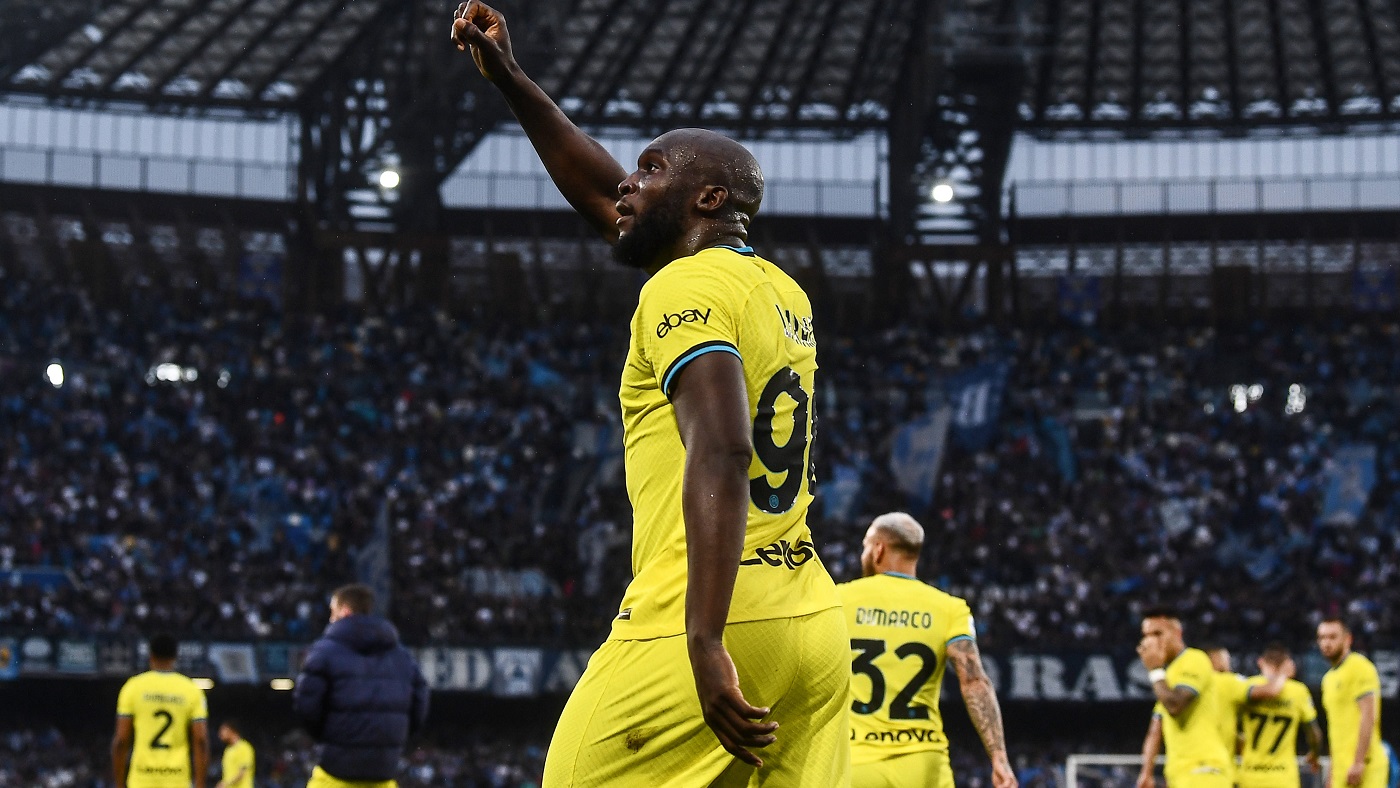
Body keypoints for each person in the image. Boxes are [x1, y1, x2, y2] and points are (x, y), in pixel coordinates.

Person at [451, 3, 849, 785]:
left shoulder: (682, 288)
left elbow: (724, 448)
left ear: (708, 201)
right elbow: (610, 202)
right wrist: (512, 80)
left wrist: (704, 638)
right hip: (809, 618)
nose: (629, 181)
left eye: (653, 168)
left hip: (705, 613)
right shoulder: (779, 289)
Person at [838, 513, 1016, 788]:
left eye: (866, 546)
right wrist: (999, 757)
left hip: (855, 763)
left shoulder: (839, 599)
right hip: (923, 764)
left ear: (878, 549)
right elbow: (974, 682)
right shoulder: (949, 608)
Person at [293, 584, 429, 788]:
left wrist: (332, 738)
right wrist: (390, 741)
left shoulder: (323, 651)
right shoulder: (402, 656)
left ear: (345, 611)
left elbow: (307, 707)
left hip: (335, 774)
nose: (331, 619)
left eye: (333, 611)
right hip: (384, 773)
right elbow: (420, 705)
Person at [1137, 608, 1231, 788]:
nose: (1151, 642)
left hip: (1203, 770)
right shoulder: (1169, 676)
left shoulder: (1194, 659)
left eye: (1158, 634)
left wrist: (1155, 670)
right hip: (1180, 774)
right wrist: (1146, 772)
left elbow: (1175, 706)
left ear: (1177, 633)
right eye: (1146, 635)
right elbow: (1156, 728)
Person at [111, 633, 210, 788]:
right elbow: (201, 740)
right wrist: (200, 785)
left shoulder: (132, 687)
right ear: (175, 657)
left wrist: (119, 784)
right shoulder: (192, 690)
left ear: (150, 656)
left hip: (141, 780)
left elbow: (121, 741)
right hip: (177, 781)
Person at [1237, 644, 1322, 788]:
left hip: (1250, 777)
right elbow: (1314, 734)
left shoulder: (1249, 686)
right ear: (1288, 664)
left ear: (1260, 662)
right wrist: (1315, 754)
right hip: (1283, 778)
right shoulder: (1298, 691)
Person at [1318, 618, 1389, 788]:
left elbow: (1369, 716)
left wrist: (1359, 762)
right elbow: (1335, 730)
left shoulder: (1360, 667)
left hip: (1365, 769)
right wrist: (1332, 773)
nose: (1326, 643)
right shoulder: (1328, 679)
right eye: (1322, 637)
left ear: (1347, 639)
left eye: (1332, 637)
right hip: (1341, 771)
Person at [215, 719, 254, 788]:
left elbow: (242, 773)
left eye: (223, 730)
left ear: (232, 730)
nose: (220, 734)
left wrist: (225, 784)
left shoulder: (244, 748)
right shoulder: (227, 750)